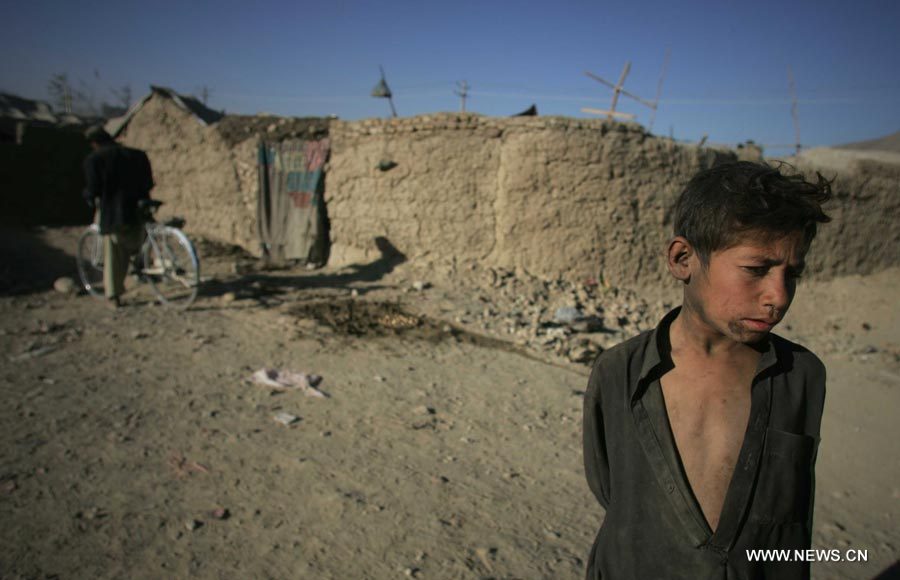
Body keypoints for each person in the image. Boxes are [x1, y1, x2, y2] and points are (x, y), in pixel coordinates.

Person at [583, 161, 832, 579]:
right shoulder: (619, 373)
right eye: (756, 269)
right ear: (683, 259)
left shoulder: (801, 376)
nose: (778, 296)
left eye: (792, 274)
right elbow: (612, 489)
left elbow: (791, 517)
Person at [82, 126, 154, 308]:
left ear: (95, 143)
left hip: (117, 213)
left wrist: (89, 197)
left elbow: (93, 188)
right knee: (142, 239)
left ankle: (113, 295)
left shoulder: (95, 159)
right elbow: (149, 183)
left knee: (113, 251)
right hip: (140, 209)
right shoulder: (137, 155)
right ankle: (142, 267)